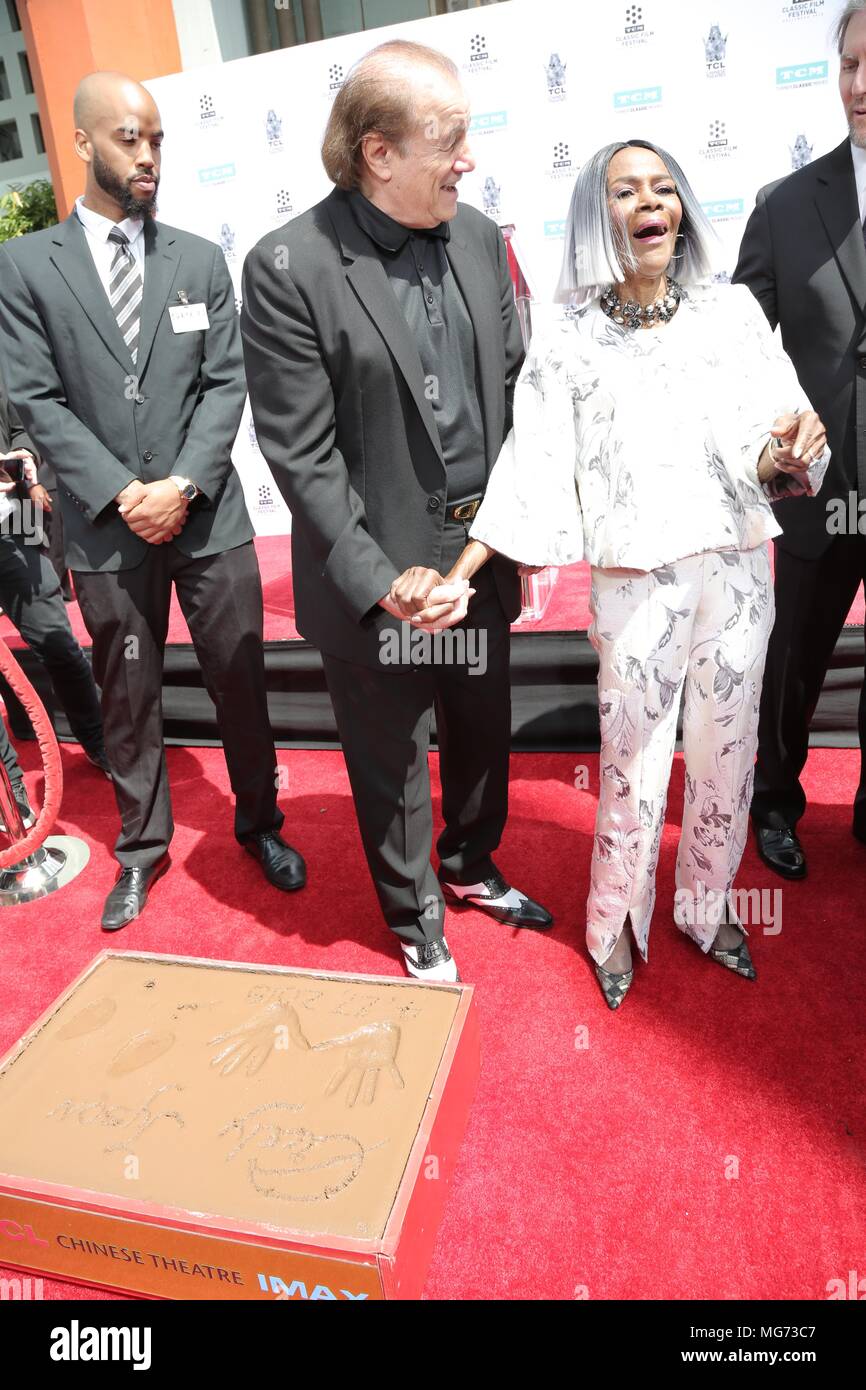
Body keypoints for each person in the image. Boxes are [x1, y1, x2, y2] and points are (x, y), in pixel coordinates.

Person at [424, 139, 828, 1008]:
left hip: (736, 572)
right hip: (635, 585)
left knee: (727, 755)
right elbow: (530, 463)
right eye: (624, 190)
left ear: (681, 208)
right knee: (631, 760)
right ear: (594, 214)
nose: (650, 203)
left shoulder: (731, 317)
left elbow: (779, 436)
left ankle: (707, 903)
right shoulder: (568, 337)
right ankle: (613, 920)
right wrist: (466, 569)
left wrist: (796, 444)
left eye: (663, 188)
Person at [241, 40, 551, 983]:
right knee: (392, 768)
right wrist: (386, 586)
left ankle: (470, 865)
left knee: (481, 734)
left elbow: (515, 392)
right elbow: (303, 454)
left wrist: (511, 538)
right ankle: (415, 915)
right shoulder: (287, 266)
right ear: (379, 152)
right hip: (381, 581)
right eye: (450, 139)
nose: (469, 158)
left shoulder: (481, 236)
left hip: (477, 563)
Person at [0, 71, 305, 930]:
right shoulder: (25, 266)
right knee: (126, 693)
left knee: (239, 676)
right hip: (105, 527)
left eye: (158, 139)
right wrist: (122, 491)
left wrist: (182, 483)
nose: (147, 155)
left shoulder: (199, 260)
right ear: (84, 144)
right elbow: (35, 397)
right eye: (129, 138)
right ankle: (141, 849)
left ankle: (259, 823)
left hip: (207, 516)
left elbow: (225, 382)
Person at [733, 0, 866, 877]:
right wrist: (766, 442)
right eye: (850, 64)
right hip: (823, 485)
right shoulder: (786, 205)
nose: (860, 85)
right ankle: (773, 802)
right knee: (795, 658)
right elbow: (738, 349)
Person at [1, 371, 107, 773]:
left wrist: (24, 455)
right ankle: (10, 787)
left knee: (59, 642)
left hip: (16, 523)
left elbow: (20, 427)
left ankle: (99, 742)